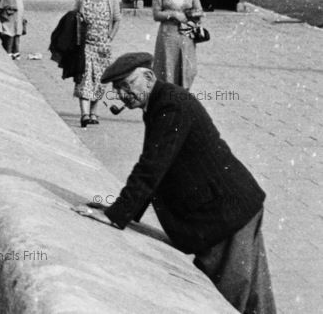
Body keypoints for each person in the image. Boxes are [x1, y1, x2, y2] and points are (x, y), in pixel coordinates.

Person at [93, 52, 275, 314]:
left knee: (231, 298)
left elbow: (152, 167)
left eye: (126, 85)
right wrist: (117, 212)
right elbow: (157, 168)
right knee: (253, 297)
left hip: (226, 215)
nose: (121, 94)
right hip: (229, 209)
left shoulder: (171, 105)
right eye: (117, 89)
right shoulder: (160, 102)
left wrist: (116, 215)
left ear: (148, 77)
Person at [72, 0, 121, 127]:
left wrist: (110, 37)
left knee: (100, 81)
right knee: (84, 78)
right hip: (85, 45)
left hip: (102, 47)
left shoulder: (111, 0)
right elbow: (74, 18)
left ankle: (94, 112)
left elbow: (117, 20)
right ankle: (84, 114)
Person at [152, 0, 204, 90]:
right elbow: (156, 14)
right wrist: (173, 14)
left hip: (186, 35)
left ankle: (183, 98)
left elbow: (199, 10)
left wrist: (190, 15)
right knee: (168, 68)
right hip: (168, 36)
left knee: (188, 70)